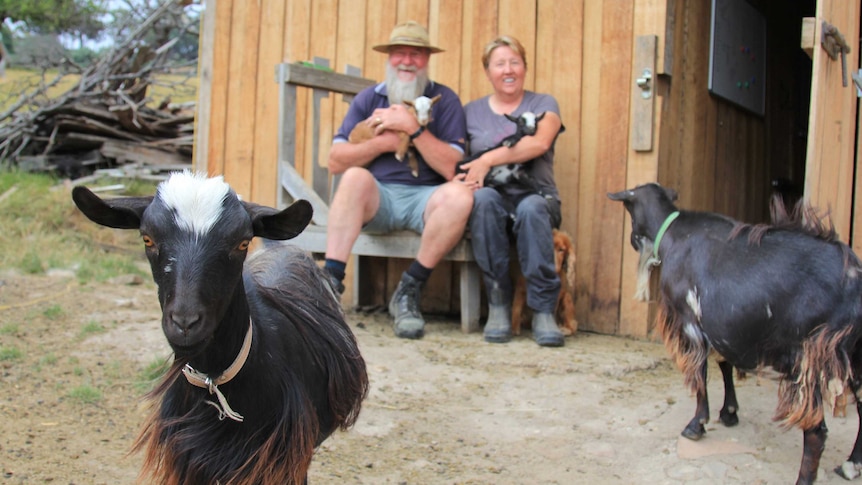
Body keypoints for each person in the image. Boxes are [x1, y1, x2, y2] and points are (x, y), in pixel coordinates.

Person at [323, 21, 473, 340]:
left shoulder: (444, 100)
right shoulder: (368, 98)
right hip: (379, 200)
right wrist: (382, 143)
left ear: (427, 60)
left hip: (428, 200)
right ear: (389, 58)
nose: (407, 61)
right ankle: (328, 287)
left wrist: (413, 129)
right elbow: (334, 161)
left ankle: (409, 290)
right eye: (400, 53)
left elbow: (452, 169)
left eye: (416, 54)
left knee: (461, 195)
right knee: (353, 178)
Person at [458, 35, 567, 347]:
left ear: (525, 68)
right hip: (490, 198)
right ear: (488, 71)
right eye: (499, 64)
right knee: (483, 199)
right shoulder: (472, 112)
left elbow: (539, 142)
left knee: (532, 209)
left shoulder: (543, 104)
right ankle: (498, 305)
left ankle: (544, 310)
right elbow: (458, 160)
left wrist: (488, 158)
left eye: (514, 62)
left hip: (537, 196)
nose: (508, 70)